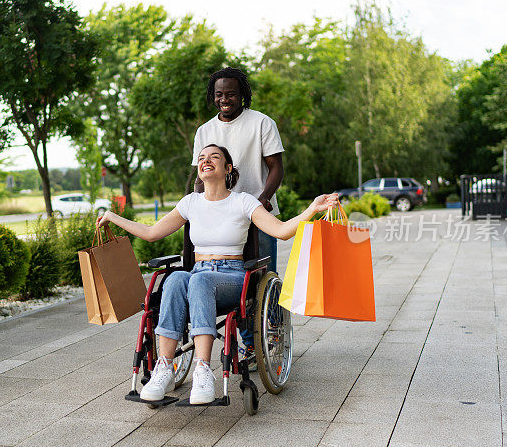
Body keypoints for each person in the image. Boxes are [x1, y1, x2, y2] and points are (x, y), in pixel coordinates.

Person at [98, 144, 337, 404]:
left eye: (214, 157)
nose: (206, 160)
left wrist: (312, 209)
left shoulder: (243, 201)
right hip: (198, 275)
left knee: (198, 280)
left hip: (232, 277)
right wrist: (112, 217)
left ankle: (203, 371)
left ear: (228, 168)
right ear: (198, 170)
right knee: (176, 278)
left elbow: (280, 230)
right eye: (201, 158)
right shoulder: (190, 203)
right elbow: (152, 233)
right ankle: (164, 367)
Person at [192, 66, 284, 358]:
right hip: (220, 219)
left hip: (257, 215)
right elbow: (201, 174)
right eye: (219, 94)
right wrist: (193, 203)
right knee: (237, 284)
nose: (225, 99)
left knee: (262, 279)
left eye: (231, 93)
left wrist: (264, 198)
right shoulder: (205, 131)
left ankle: (274, 335)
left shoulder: (261, 123)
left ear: (242, 94)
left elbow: (276, 167)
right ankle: (249, 346)